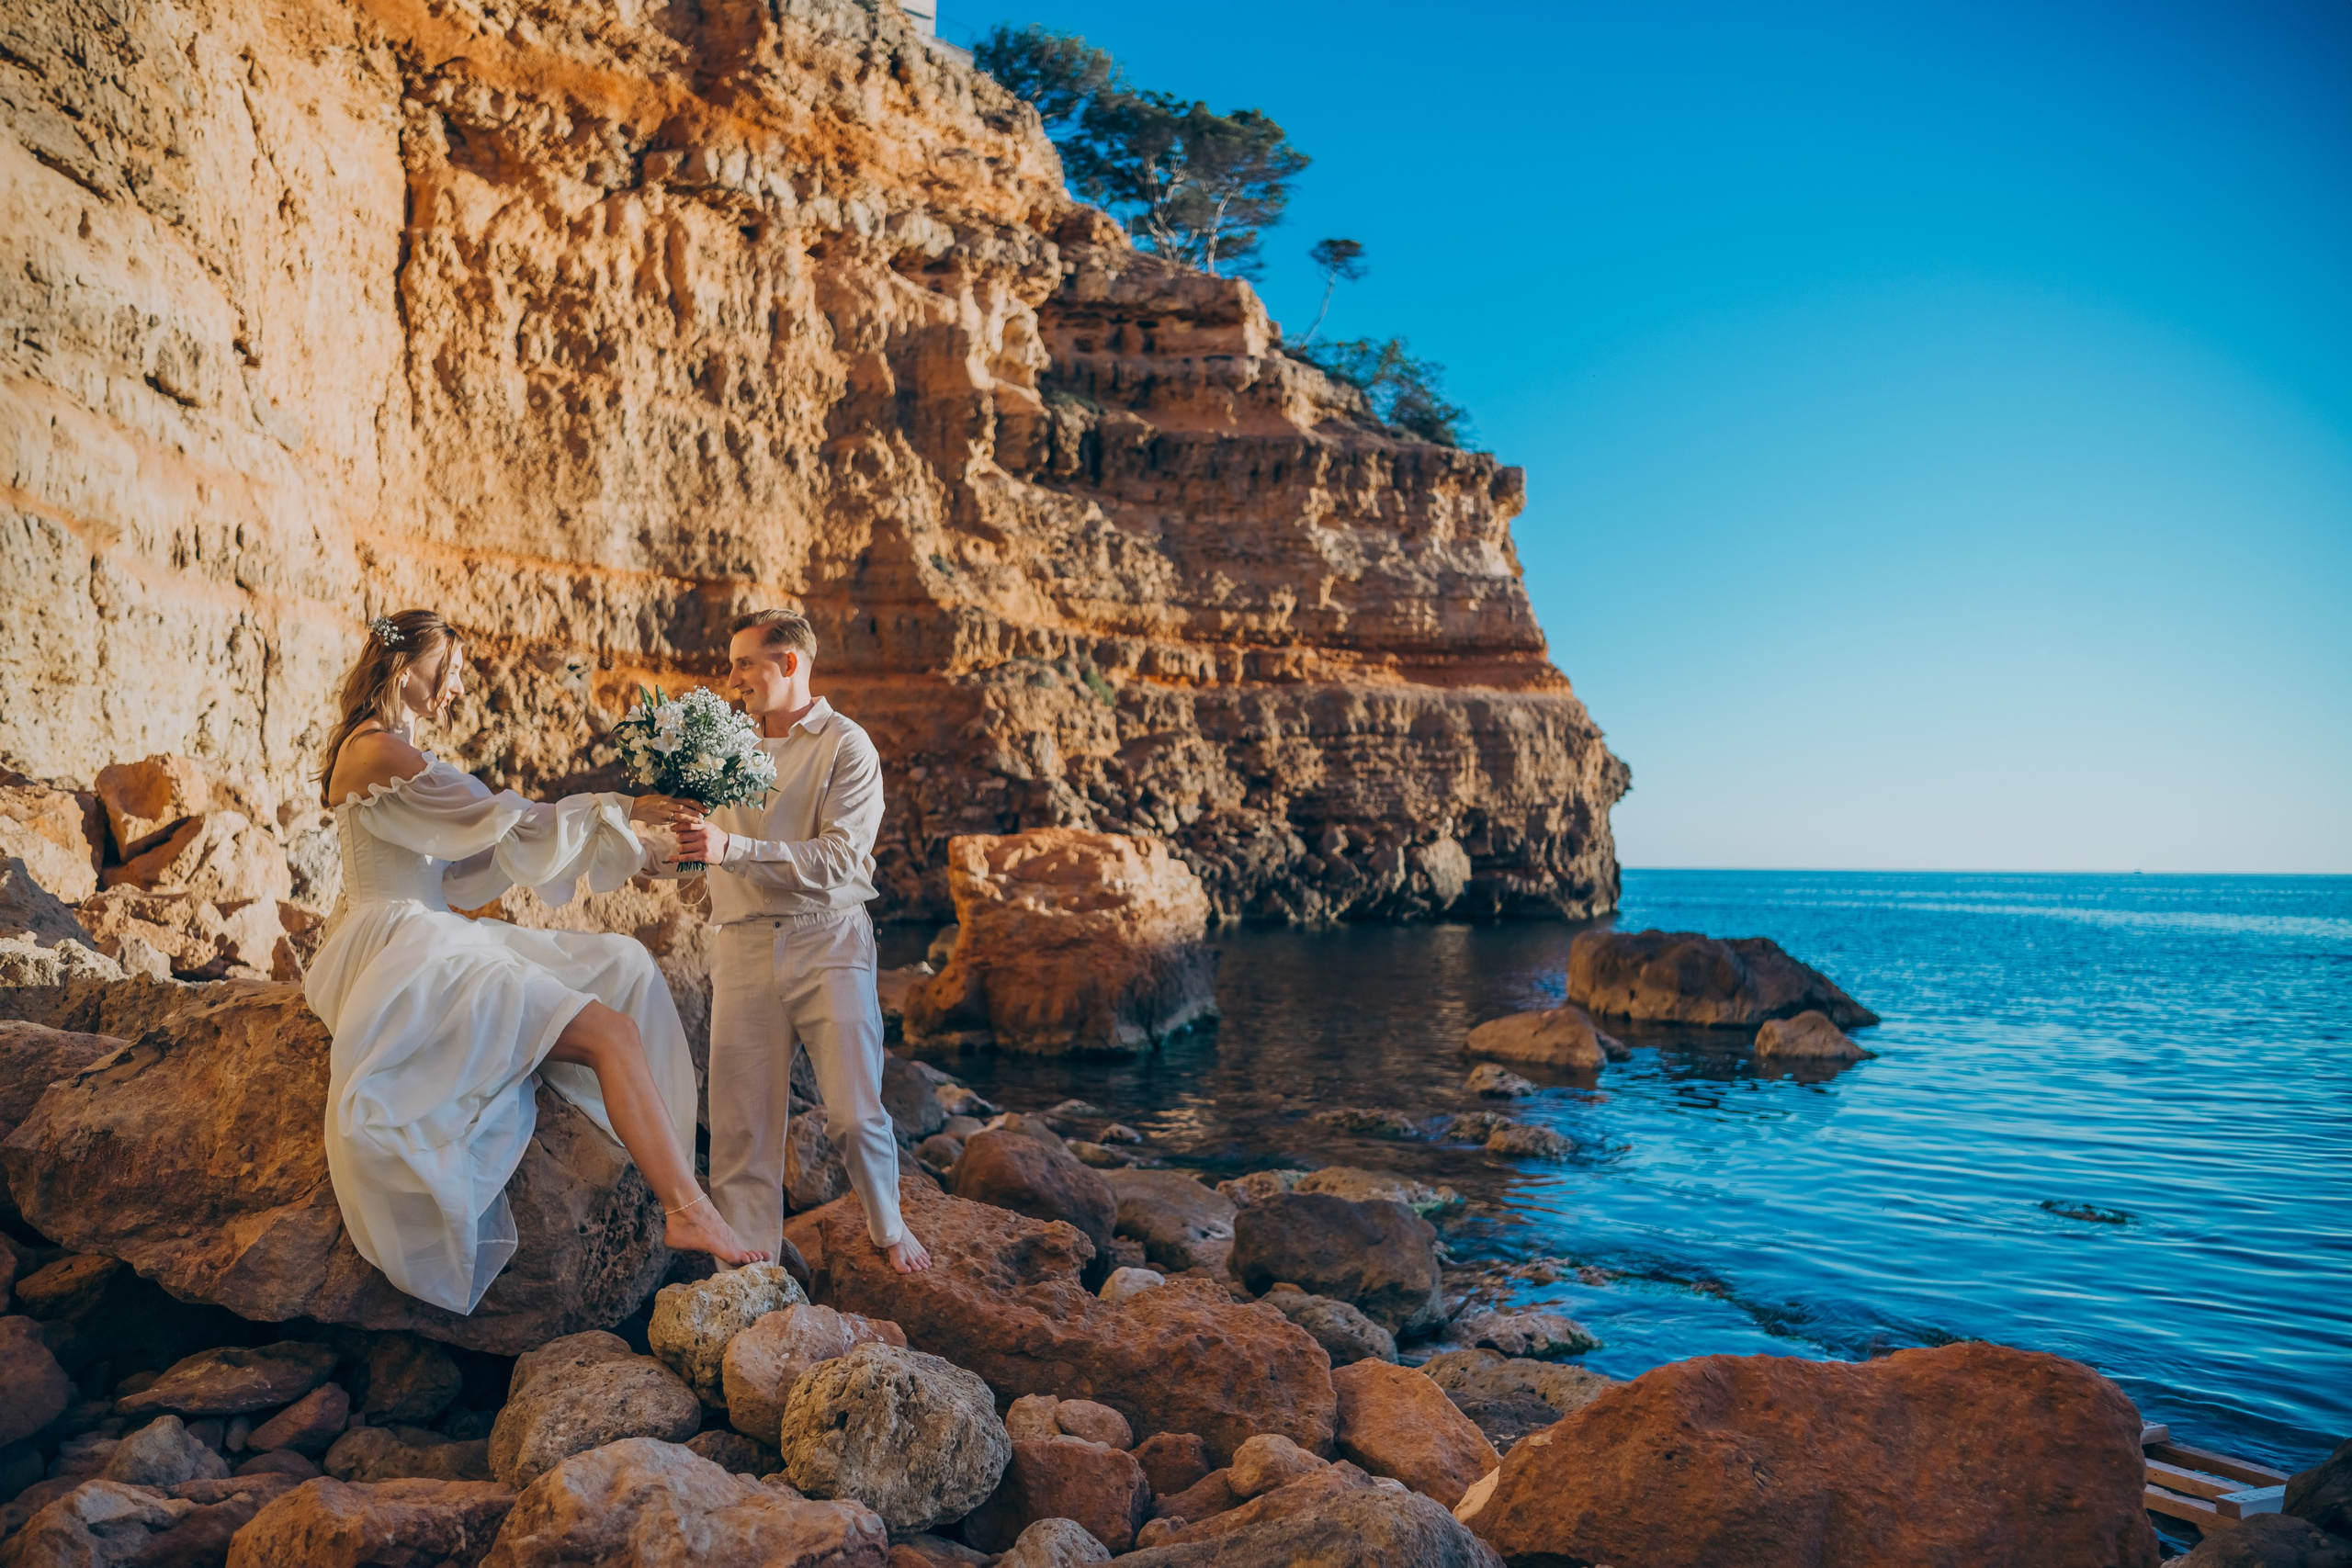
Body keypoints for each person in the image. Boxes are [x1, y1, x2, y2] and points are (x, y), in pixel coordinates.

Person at [307, 608, 765, 1315]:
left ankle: (665, 1177)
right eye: (449, 670)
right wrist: (624, 810)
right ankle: (688, 1208)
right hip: (401, 948)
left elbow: (476, 856)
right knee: (610, 1031)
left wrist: (639, 848)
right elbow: (503, 817)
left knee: (624, 966)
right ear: (403, 670)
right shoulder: (378, 752)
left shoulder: (390, 748)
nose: (459, 687)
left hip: (425, 931)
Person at [671, 609, 932, 1273]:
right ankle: (747, 1273)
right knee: (740, 1128)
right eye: (731, 665)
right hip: (741, 943)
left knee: (853, 1112)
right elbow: (704, 855)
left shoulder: (847, 745)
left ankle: (888, 1225)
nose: (731, 678)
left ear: (788, 662)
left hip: (828, 940)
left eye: (744, 663)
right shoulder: (722, 748)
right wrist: (680, 855)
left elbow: (841, 859)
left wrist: (733, 849)